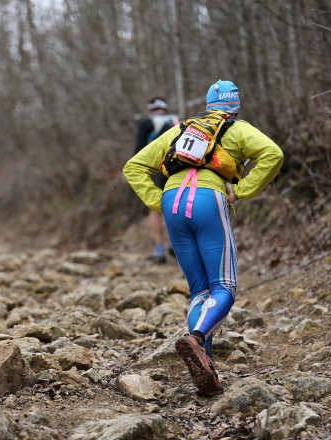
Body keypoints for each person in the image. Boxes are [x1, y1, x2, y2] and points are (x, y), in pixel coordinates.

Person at [123, 80, 283, 395]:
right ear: (235, 105)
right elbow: (273, 154)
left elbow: (134, 167)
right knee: (223, 286)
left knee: (199, 289)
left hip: (172, 202)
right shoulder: (237, 130)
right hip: (209, 199)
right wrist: (240, 190)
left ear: (209, 104)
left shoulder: (180, 129)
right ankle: (196, 339)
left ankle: (205, 364)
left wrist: (160, 201)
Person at [134, 97, 180, 264]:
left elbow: (138, 152)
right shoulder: (178, 120)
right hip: (180, 167)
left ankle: (159, 249)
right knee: (178, 205)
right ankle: (181, 244)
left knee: (155, 208)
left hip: (158, 169)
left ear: (150, 109)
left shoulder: (147, 122)